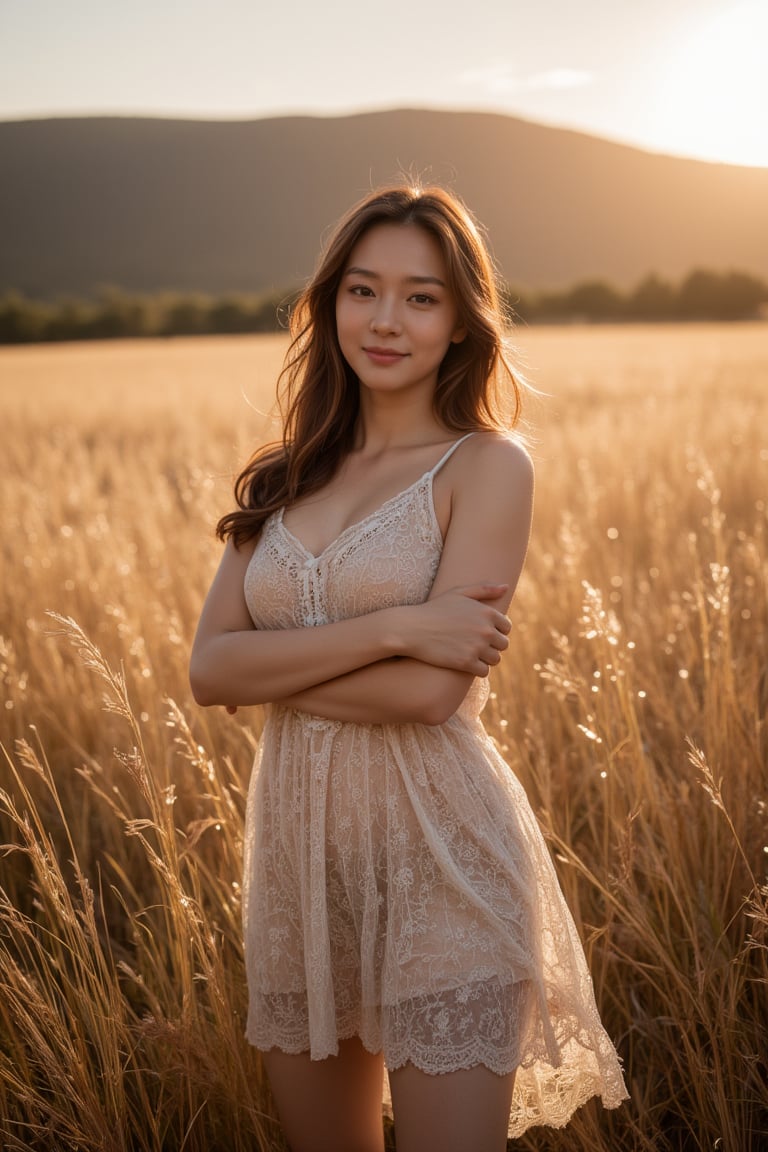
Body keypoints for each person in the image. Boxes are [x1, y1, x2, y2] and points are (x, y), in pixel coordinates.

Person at [189, 184, 628, 1152]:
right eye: (363, 290)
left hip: (446, 863)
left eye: (422, 297)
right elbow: (209, 670)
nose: (386, 320)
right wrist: (398, 629)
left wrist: (273, 669)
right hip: (301, 873)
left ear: (463, 323)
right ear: (330, 301)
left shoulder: (487, 467)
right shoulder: (284, 475)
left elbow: (433, 696)